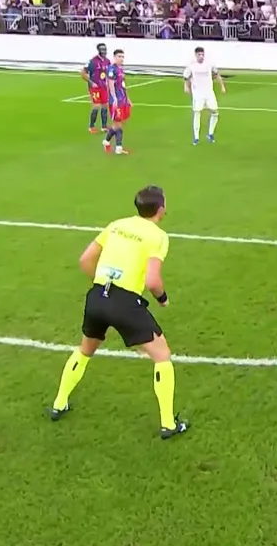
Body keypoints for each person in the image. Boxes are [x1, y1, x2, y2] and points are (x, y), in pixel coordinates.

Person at [48, 185, 189, 440]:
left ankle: (59, 404)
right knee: (162, 355)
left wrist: (102, 283)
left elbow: (85, 260)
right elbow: (153, 281)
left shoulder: (116, 225)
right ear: (160, 209)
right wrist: (163, 299)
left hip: (97, 297)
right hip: (125, 303)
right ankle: (168, 424)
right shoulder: (158, 236)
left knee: (85, 350)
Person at [184, 46, 225, 145]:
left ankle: (210, 133)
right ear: (196, 55)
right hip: (197, 93)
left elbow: (217, 75)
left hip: (209, 92)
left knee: (215, 112)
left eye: (202, 54)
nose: (201, 56)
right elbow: (186, 77)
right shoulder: (191, 66)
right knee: (197, 112)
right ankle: (196, 137)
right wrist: (186, 87)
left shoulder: (209, 64)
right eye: (199, 55)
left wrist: (222, 86)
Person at [103, 49, 130, 156]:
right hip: (116, 100)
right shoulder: (111, 69)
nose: (121, 59)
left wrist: (128, 98)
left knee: (117, 124)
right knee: (118, 125)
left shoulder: (120, 69)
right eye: (119, 56)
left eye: (123, 57)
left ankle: (106, 141)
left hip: (122, 99)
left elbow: (123, 85)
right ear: (114, 57)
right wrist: (114, 98)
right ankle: (119, 148)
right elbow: (110, 83)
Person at [82, 42, 112, 134]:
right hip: (95, 88)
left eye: (105, 49)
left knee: (105, 105)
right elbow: (83, 73)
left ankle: (104, 126)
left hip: (104, 87)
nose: (104, 51)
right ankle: (92, 126)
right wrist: (91, 82)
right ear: (98, 50)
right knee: (96, 106)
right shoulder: (93, 61)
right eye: (102, 49)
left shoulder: (107, 61)